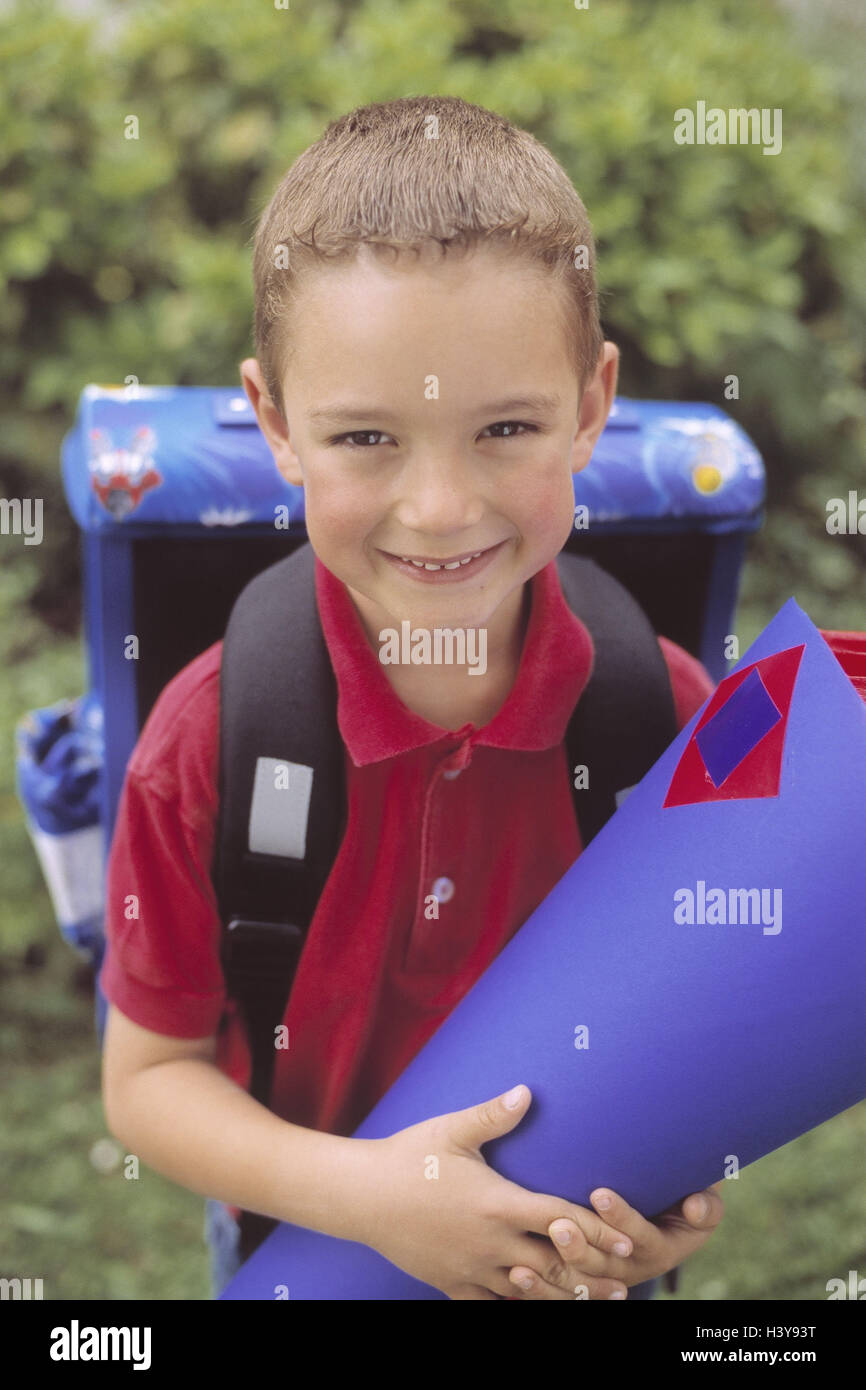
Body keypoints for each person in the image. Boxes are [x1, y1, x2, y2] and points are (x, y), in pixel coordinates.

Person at [100, 95, 725, 1301]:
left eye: (503, 426)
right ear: (275, 423)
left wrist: (678, 1196)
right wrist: (373, 1200)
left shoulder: (666, 717)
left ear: (591, 403)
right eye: (366, 439)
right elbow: (148, 1080)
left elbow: (700, 1021)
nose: (438, 507)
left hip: (574, 1264)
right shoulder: (214, 740)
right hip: (309, 1245)